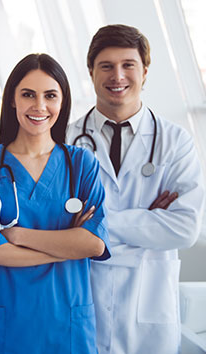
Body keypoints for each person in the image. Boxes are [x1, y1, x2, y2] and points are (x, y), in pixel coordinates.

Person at [67, 24, 205, 353]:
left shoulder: (175, 142)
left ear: (145, 70)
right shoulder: (65, 142)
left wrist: (92, 227)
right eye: (106, 66)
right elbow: (54, 226)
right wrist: (147, 220)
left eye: (128, 65)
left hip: (150, 312)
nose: (118, 76)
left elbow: (185, 229)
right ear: (91, 72)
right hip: (85, 303)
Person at [0, 53, 111, 354]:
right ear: (12, 99)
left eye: (50, 95)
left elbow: (93, 245)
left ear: (62, 102)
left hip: (66, 323)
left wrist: (18, 235)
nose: (39, 106)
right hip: (7, 320)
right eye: (28, 94)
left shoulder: (81, 163)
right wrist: (68, 246)